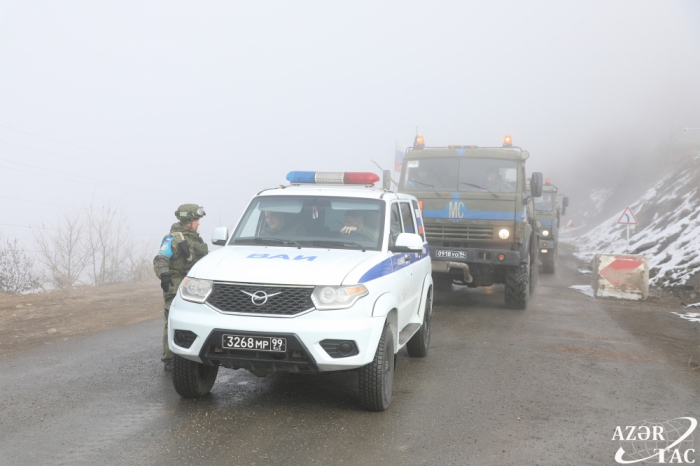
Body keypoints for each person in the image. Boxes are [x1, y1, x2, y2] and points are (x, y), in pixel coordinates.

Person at [153, 204, 208, 372]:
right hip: (176, 285)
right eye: (196, 220)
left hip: (195, 287)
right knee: (172, 320)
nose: (199, 223)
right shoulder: (173, 238)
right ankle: (170, 359)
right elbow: (161, 257)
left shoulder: (195, 239)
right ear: (188, 221)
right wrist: (164, 275)